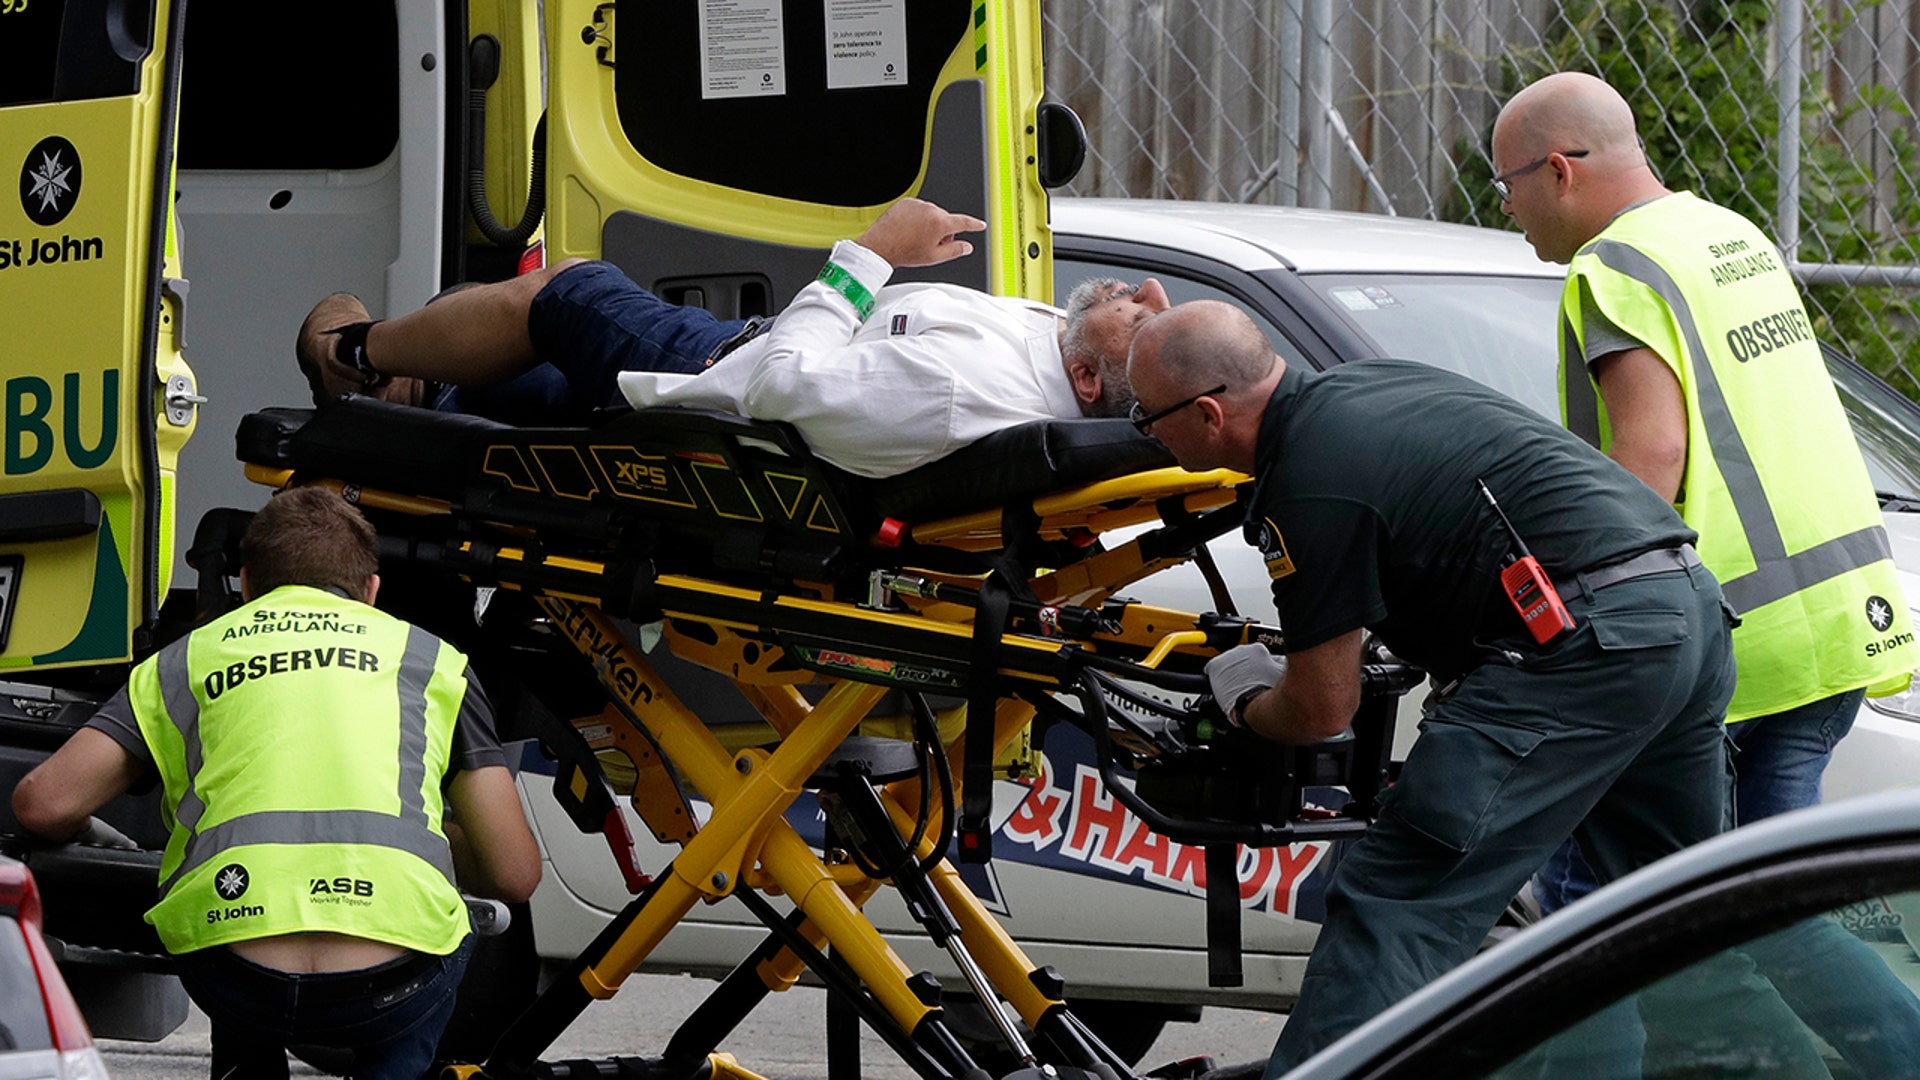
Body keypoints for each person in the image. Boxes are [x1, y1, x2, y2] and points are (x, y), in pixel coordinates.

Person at [1126, 300, 1737, 1071]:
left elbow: (1321, 708)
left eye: (1150, 421)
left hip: (1583, 649)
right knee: (1692, 913)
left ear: (1209, 414)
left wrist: (1247, 697)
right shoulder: (1377, 385)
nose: (1150, 436)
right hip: (1684, 610)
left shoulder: (1309, 484)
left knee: (1398, 902)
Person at [1491, 74, 1917, 881]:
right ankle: (1860, 1012)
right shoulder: (1726, 234)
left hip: (1728, 644)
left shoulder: (1614, 269)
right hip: (1833, 625)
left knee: (1602, 902)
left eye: (1506, 184)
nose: (1506, 208)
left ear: (1558, 170)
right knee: (1769, 907)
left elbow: (1652, 453)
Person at [12, 487, 540, 1080]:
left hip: (237, 971)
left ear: (245, 585)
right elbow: (513, 875)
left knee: (224, 931)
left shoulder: (186, 660)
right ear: (370, 591)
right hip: (390, 984)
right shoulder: (432, 661)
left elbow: (43, 803)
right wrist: (433, 837)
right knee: (449, 939)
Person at [295, 198, 1165, 478]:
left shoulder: (958, 394)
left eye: (1147, 317)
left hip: (726, 377)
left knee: (567, 290)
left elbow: (778, 388)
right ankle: (415, 398)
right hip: (751, 353)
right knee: (535, 397)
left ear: (1090, 380)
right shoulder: (1064, 355)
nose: (1141, 290)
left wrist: (872, 256)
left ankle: (357, 355)